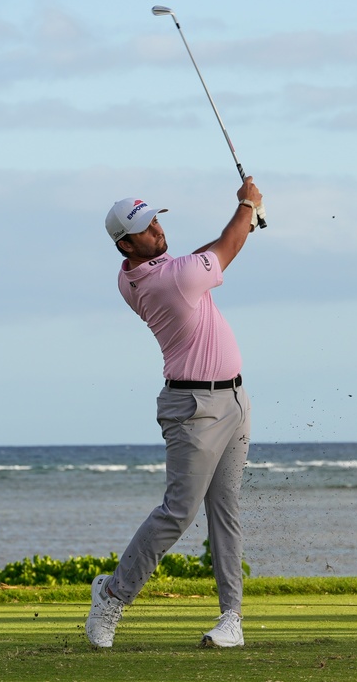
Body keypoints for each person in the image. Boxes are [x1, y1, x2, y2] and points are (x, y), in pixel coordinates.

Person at [85, 177, 264, 649]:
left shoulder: (139, 273)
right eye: (145, 229)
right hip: (194, 408)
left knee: (225, 510)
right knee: (179, 511)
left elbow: (209, 251)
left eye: (156, 219)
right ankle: (112, 597)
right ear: (125, 244)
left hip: (235, 400)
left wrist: (243, 223)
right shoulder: (172, 279)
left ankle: (232, 618)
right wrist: (248, 204)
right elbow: (226, 246)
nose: (157, 230)